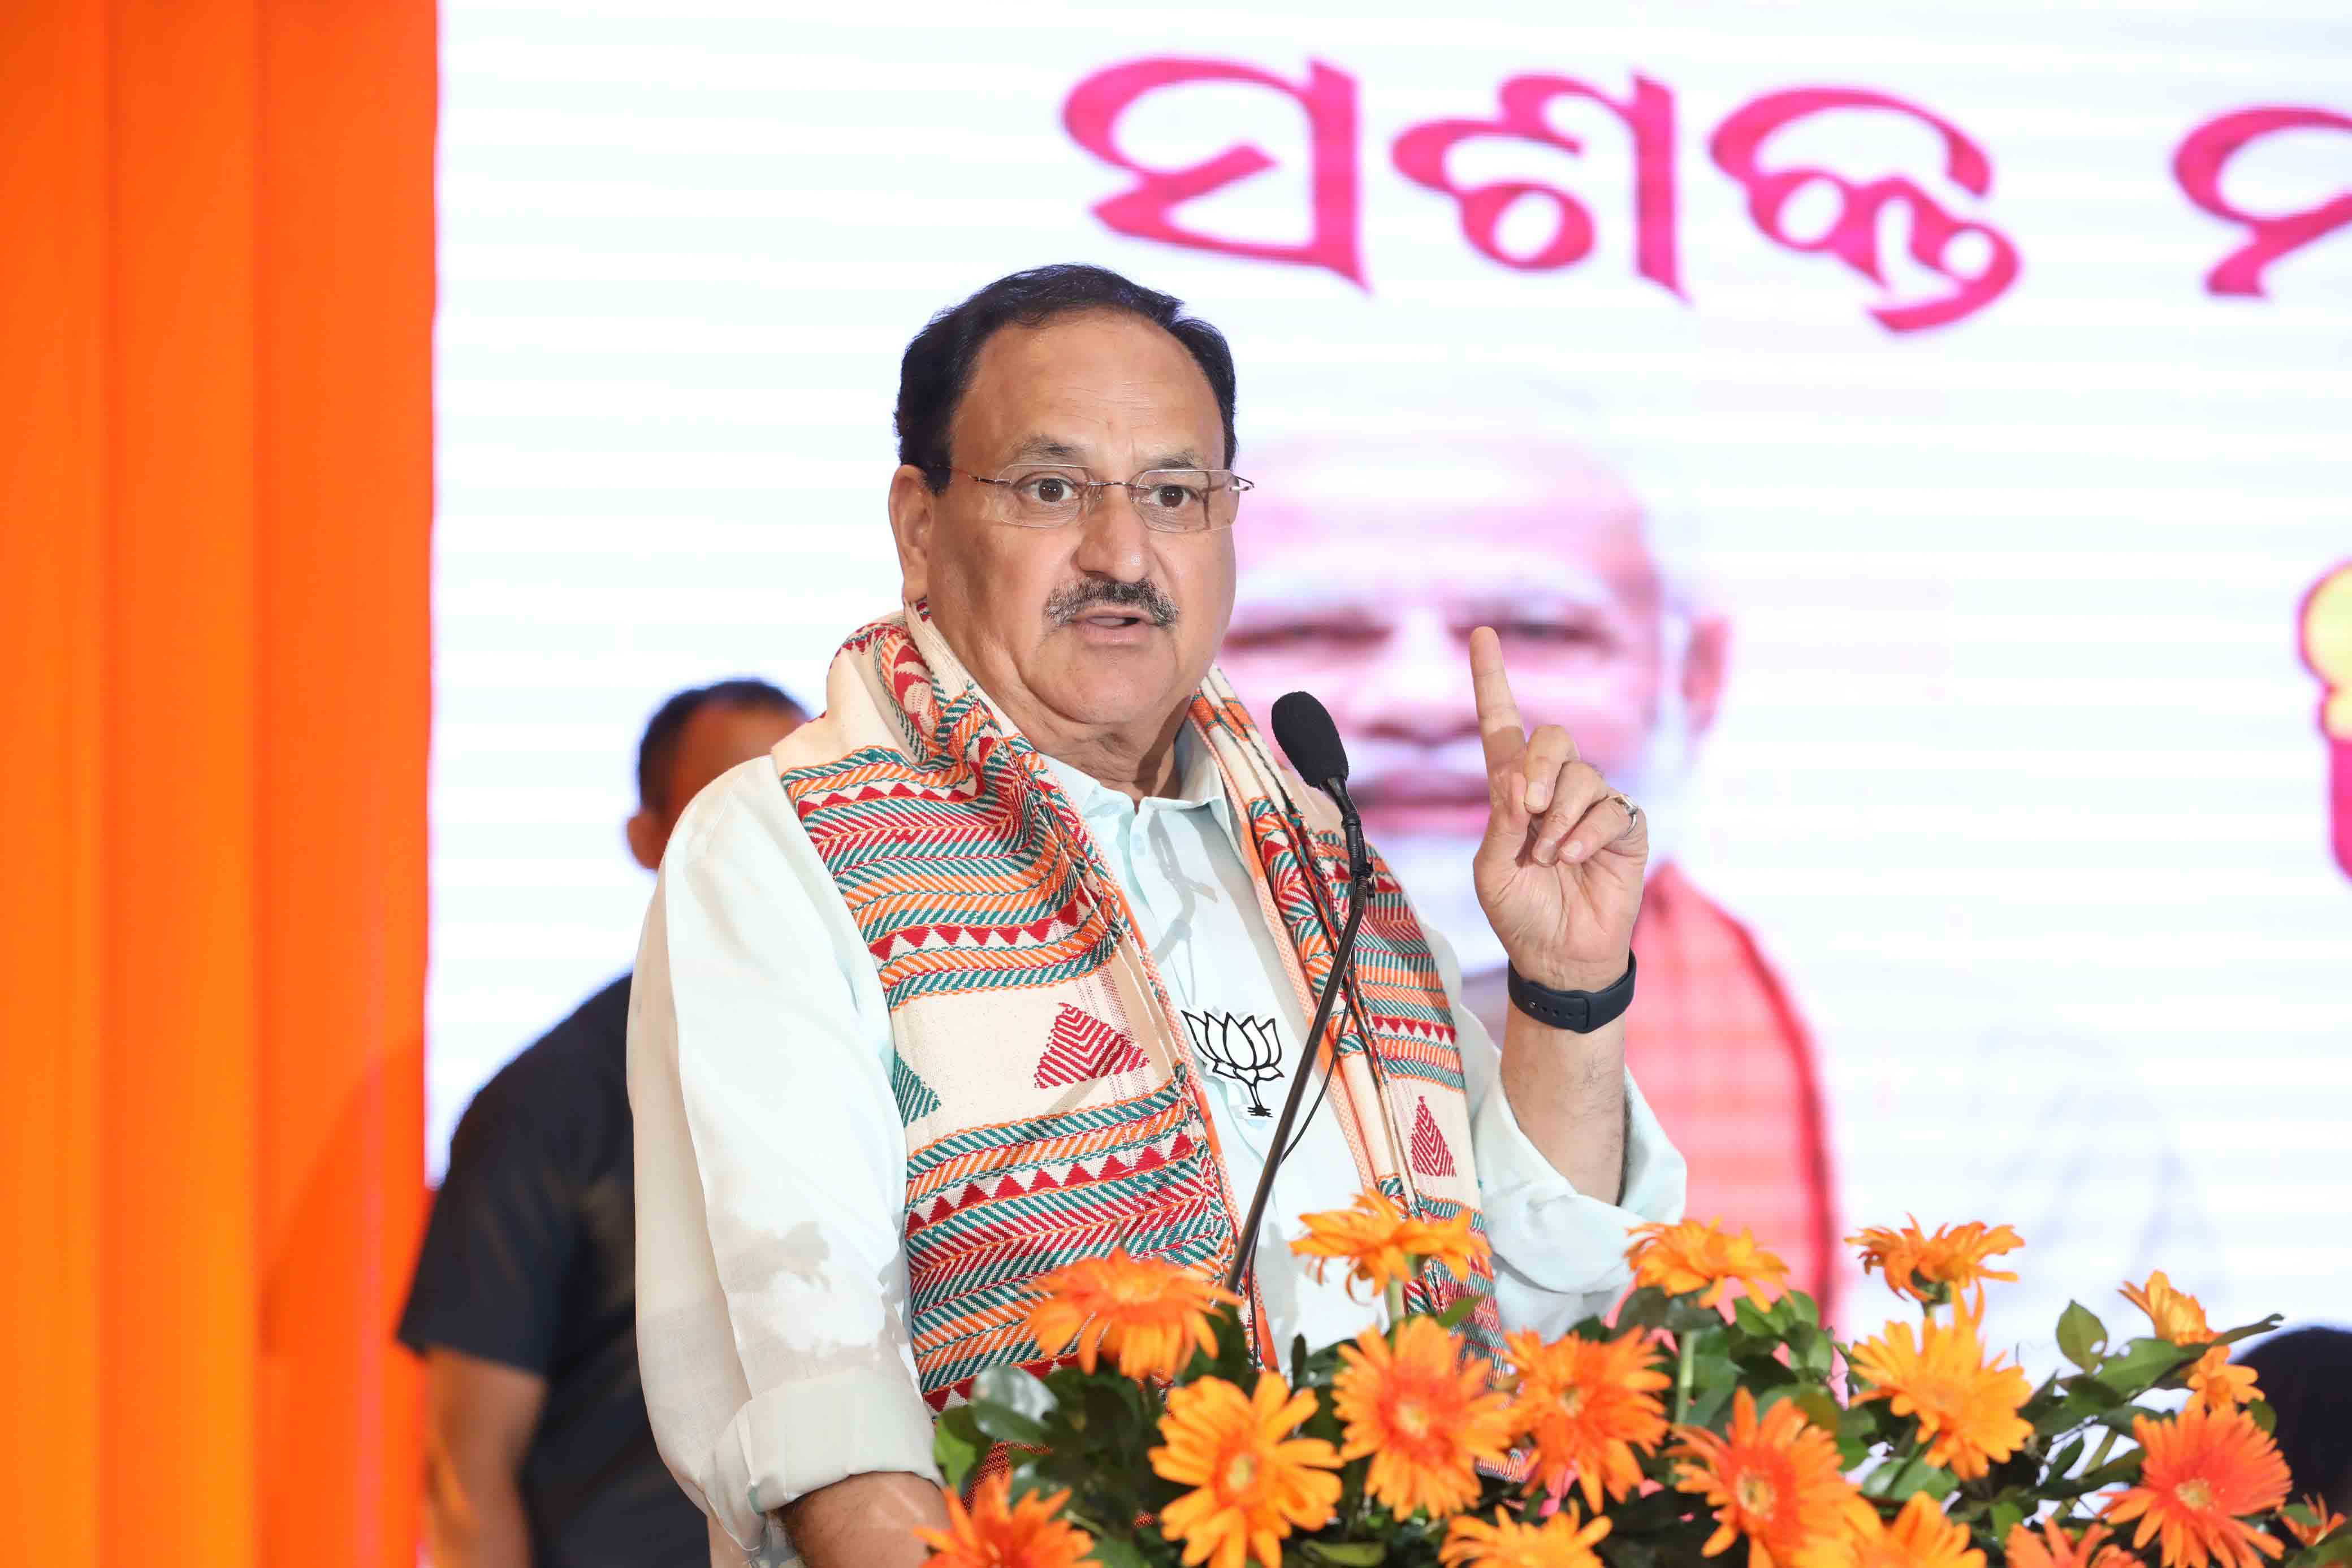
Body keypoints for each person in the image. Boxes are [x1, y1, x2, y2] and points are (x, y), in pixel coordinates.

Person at [627, 264, 1688, 1568]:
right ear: (920, 524)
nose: (1122, 556)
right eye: (1053, 488)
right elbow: (820, 1396)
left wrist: (1567, 988)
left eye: (1176, 495)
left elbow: (1531, 1301)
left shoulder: (1313, 859)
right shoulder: (786, 844)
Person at [1216, 427, 2214, 1364]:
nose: (1426, 700)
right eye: (1311, 626)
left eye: (1539, 627)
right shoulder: (1095, 1026)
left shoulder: (2001, 1102)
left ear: (1693, 673)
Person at [401, 679, 808, 1568]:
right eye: (725, 808)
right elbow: (465, 1468)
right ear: (650, 838)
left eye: (796, 807)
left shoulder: (881, 1071)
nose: (771, 843)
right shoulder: (544, 1105)